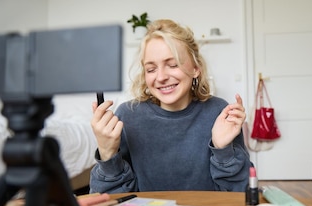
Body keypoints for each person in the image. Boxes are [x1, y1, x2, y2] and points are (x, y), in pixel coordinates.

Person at [89, 19, 253, 193]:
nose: (160, 77)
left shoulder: (218, 112)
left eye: (173, 65)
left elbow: (241, 193)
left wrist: (223, 150)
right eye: (151, 69)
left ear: (196, 68)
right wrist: (107, 154)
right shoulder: (127, 116)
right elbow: (109, 201)